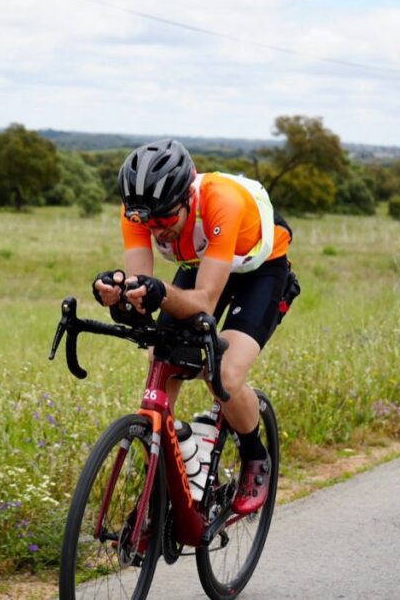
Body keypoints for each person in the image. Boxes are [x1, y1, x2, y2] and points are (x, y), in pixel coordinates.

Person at [93, 138, 297, 515]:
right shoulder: (139, 212)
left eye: (166, 219)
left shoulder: (222, 202)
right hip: (203, 262)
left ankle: (255, 456)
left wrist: (156, 292)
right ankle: (165, 483)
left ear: (188, 196)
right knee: (162, 358)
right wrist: (119, 294)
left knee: (224, 374)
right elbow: (141, 289)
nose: (157, 231)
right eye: (148, 222)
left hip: (260, 271)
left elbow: (204, 300)